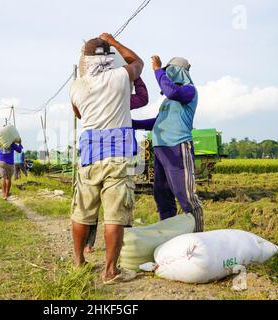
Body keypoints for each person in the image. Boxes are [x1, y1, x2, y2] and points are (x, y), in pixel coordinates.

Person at [70, 33, 144, 284]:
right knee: (115, 215)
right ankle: (110, 272)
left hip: (90, 154)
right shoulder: (121, 76)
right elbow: (138, 62)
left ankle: (79, 262)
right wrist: (114, 41)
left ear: (86, 60)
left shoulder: (77, 86)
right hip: (118, 155)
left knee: (83, 212)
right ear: (109, 58)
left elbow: (79, 113)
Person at [132, 56, 204, 232]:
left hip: (178, 148)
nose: (166, 74)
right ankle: (169, 233)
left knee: (185, 195)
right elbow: (158, 122)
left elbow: (172, 91)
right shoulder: (167, 101)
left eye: (169, 70)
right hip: (161, 151)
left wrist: (157, 70)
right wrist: (132, 123)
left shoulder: (188, 91)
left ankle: (198, 235)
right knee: (162, 195)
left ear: (179, 72)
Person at [84, 75, 149, 254]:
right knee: (119, 204)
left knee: (92, 204)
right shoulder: (120, 100)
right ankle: (121, 248)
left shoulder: (89, 97)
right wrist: (136, 76)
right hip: (118, 154)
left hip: (92, 152)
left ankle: (88, 245)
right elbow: (143, 98)